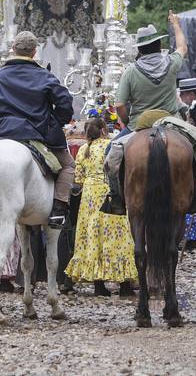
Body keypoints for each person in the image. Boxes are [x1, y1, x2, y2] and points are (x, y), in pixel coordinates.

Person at [0, 31, 76, 228]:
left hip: (1, 131)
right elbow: (65, 104)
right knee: (68, 166)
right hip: (34, 132)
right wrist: (54, 121)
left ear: (13, 49)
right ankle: (59, 209)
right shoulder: (44, 75)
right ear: (34, 52)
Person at [102, 15, 190, 215]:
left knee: (110, 155)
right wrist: (176, 24)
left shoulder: (130, 71)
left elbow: (120, 104)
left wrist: (126, 122)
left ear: (139, 50)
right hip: (172, 123)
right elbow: (182, 47)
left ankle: (116, 197)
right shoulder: (171, 62)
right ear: (159, 45)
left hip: (138, 126)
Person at [64, 117, 137, 296]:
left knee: (92, 237)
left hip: (89, 196)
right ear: (104, 130)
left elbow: (79, 178)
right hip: (110, 193)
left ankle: (98, 285)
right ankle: (125, 285)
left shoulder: (83, 150)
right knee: (118, 236)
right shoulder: (113, 145)